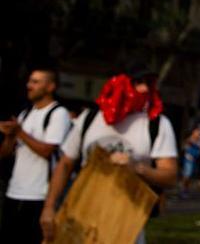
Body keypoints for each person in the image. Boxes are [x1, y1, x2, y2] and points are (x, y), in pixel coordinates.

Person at [41, 65, 178, 243]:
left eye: (148, 83)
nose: (144, 89)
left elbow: (170, 176)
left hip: (123, 224)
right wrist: (49, 207)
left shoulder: (157, 124)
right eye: (138, 83)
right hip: (79, 217)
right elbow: (65, 164)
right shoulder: (89, 118)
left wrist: (136, 168)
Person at [0, 68, 72, 243]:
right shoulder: (26, 113)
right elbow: (5, 154)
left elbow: (48, 150)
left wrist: (20, 132)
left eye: (35, 82)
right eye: (30, 81)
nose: (29, 85)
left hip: (39, 195)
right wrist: (10, 136)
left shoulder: (58, 114)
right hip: (15, 192)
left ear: (50, 87)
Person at [180, 126, 200, 197]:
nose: (198, 134)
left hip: (195, 160)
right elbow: (185, 148)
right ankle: (183, 190)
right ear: (193, 132)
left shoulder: (199, 141)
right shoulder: (189, 140)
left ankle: (186, 190)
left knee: (190, 176)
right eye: (197, 132)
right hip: (188, 160)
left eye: (199, 133)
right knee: (187, 175)